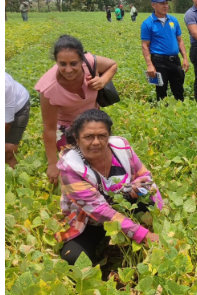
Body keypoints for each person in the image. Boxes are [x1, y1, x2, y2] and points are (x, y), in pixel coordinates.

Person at [55, 110, 163, 266]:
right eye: (88, 137)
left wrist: (139, 190)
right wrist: (144, 235)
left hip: (125, 205)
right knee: (74, 258)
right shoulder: (70, 167)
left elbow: (145, 176)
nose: (96, 142)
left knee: (150, 206)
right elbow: (100, 211)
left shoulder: (121, 147)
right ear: (77, 139)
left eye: (102, 136)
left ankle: (132, 239)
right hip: (89, 220)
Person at [35, 35, 118, 185]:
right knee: (75, 164)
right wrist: (52, 164)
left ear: (82, 60)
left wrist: (103, 80)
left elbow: (113, 65)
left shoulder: (90, 62)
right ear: (56, 62)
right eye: (62, 64)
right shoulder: (48, 88)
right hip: (67, 126)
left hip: (93, 120)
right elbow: (49, 129)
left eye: (74, 63)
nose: (68, 70)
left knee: (101, 155)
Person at [141, 0, 189, 102]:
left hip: (175, 60)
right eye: (162, 3)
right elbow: (145, 46)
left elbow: (180, 41)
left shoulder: (173, 20)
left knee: (179, 90)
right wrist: (149, 65)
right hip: (159, 61)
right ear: (153, 5)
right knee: (161, 92)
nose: (165, 6)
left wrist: (185, 58)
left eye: (166, 3)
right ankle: (162, 115)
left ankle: (179, 113)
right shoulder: (148, 23)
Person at [5, 72, 31, 168]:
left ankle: (12, 180)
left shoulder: (4, 85)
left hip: (18, 107)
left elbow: (6, 122)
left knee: (7, 151)